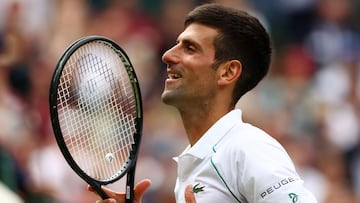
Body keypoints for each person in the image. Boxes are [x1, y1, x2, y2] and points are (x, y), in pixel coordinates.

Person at [89, 3, 318, 203]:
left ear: (228, 72)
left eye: (190, 48)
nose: (167, 55)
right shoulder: (195, 164)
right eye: (177, 44)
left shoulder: (248, 149)